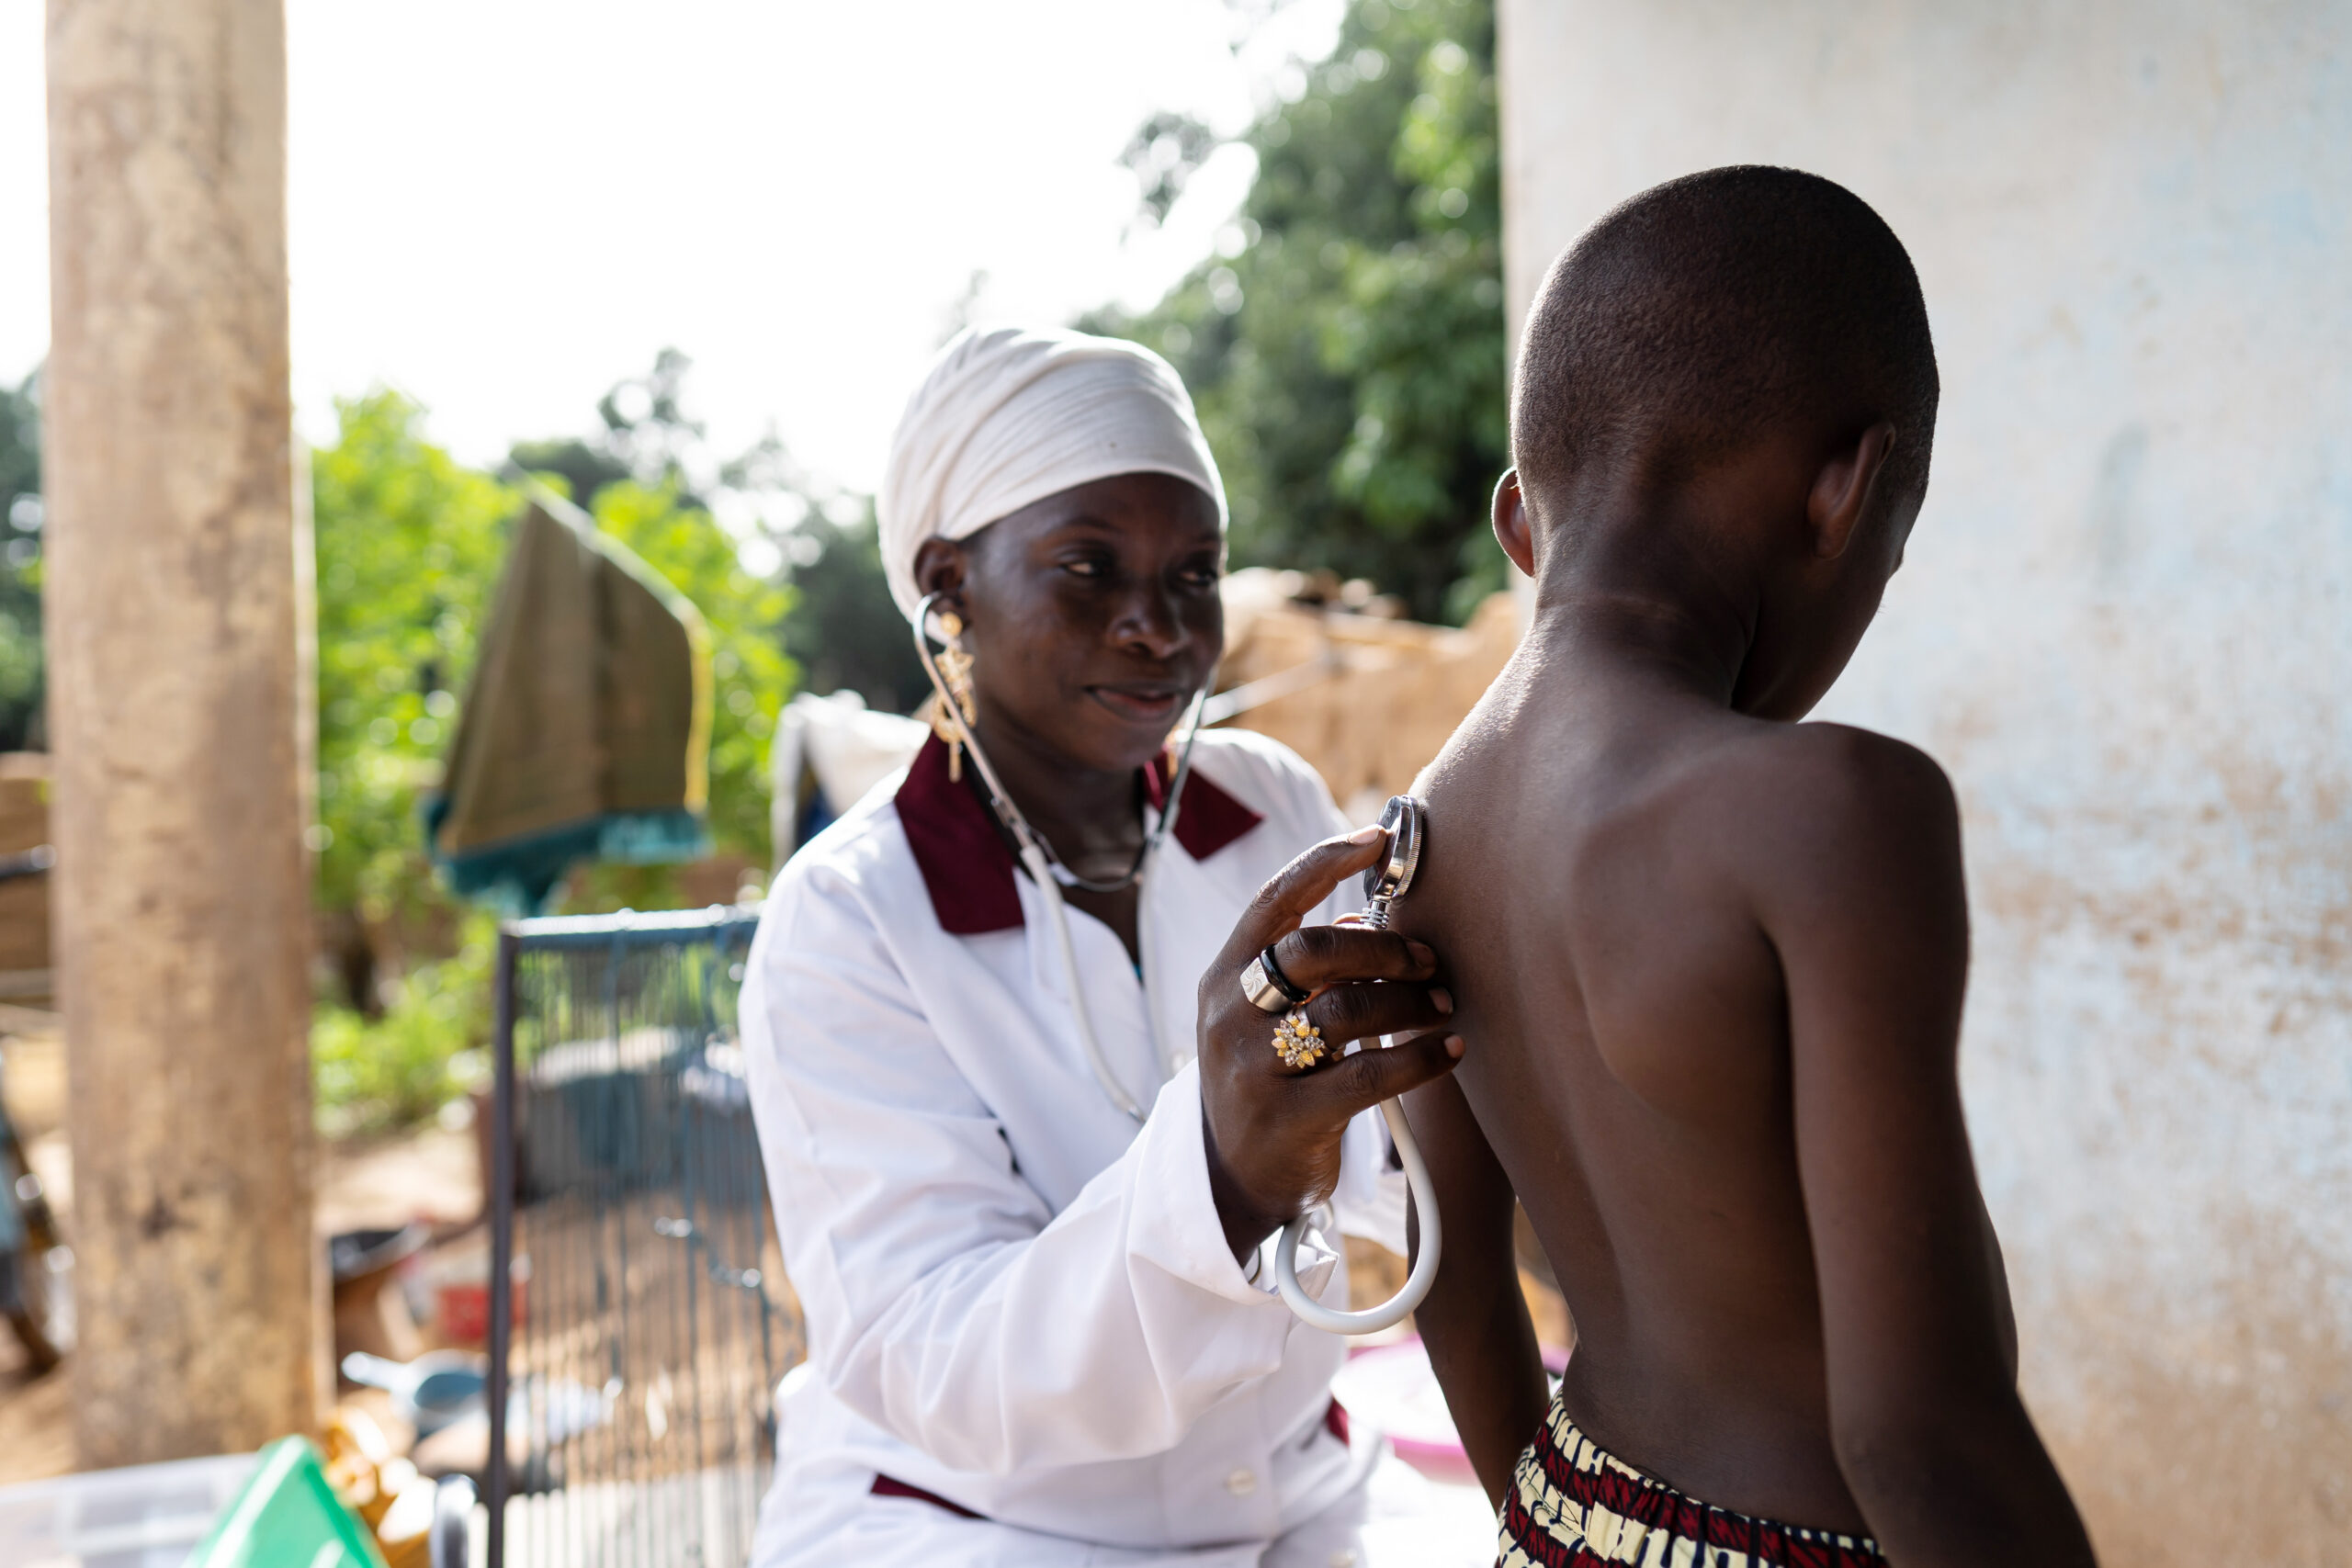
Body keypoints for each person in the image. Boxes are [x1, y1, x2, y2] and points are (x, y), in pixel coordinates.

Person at [1395, 168, 2100, 1566]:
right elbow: (1918, 1432)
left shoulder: (1412, 841)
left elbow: (1455, 1290)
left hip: (1554, 1522)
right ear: (1853, 491)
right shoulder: (1828, 809)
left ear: (1521, 521)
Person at [741, 325, 1466, 1565]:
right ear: (946, 587)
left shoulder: (1269, 809)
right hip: (991, 1529)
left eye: (1194, 575)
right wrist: (1222, 1172)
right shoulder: (852, 920)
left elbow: (1385, 1181)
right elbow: (933, 1358)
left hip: (1297, 1492)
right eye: (1088, 568)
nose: (1156, 628)